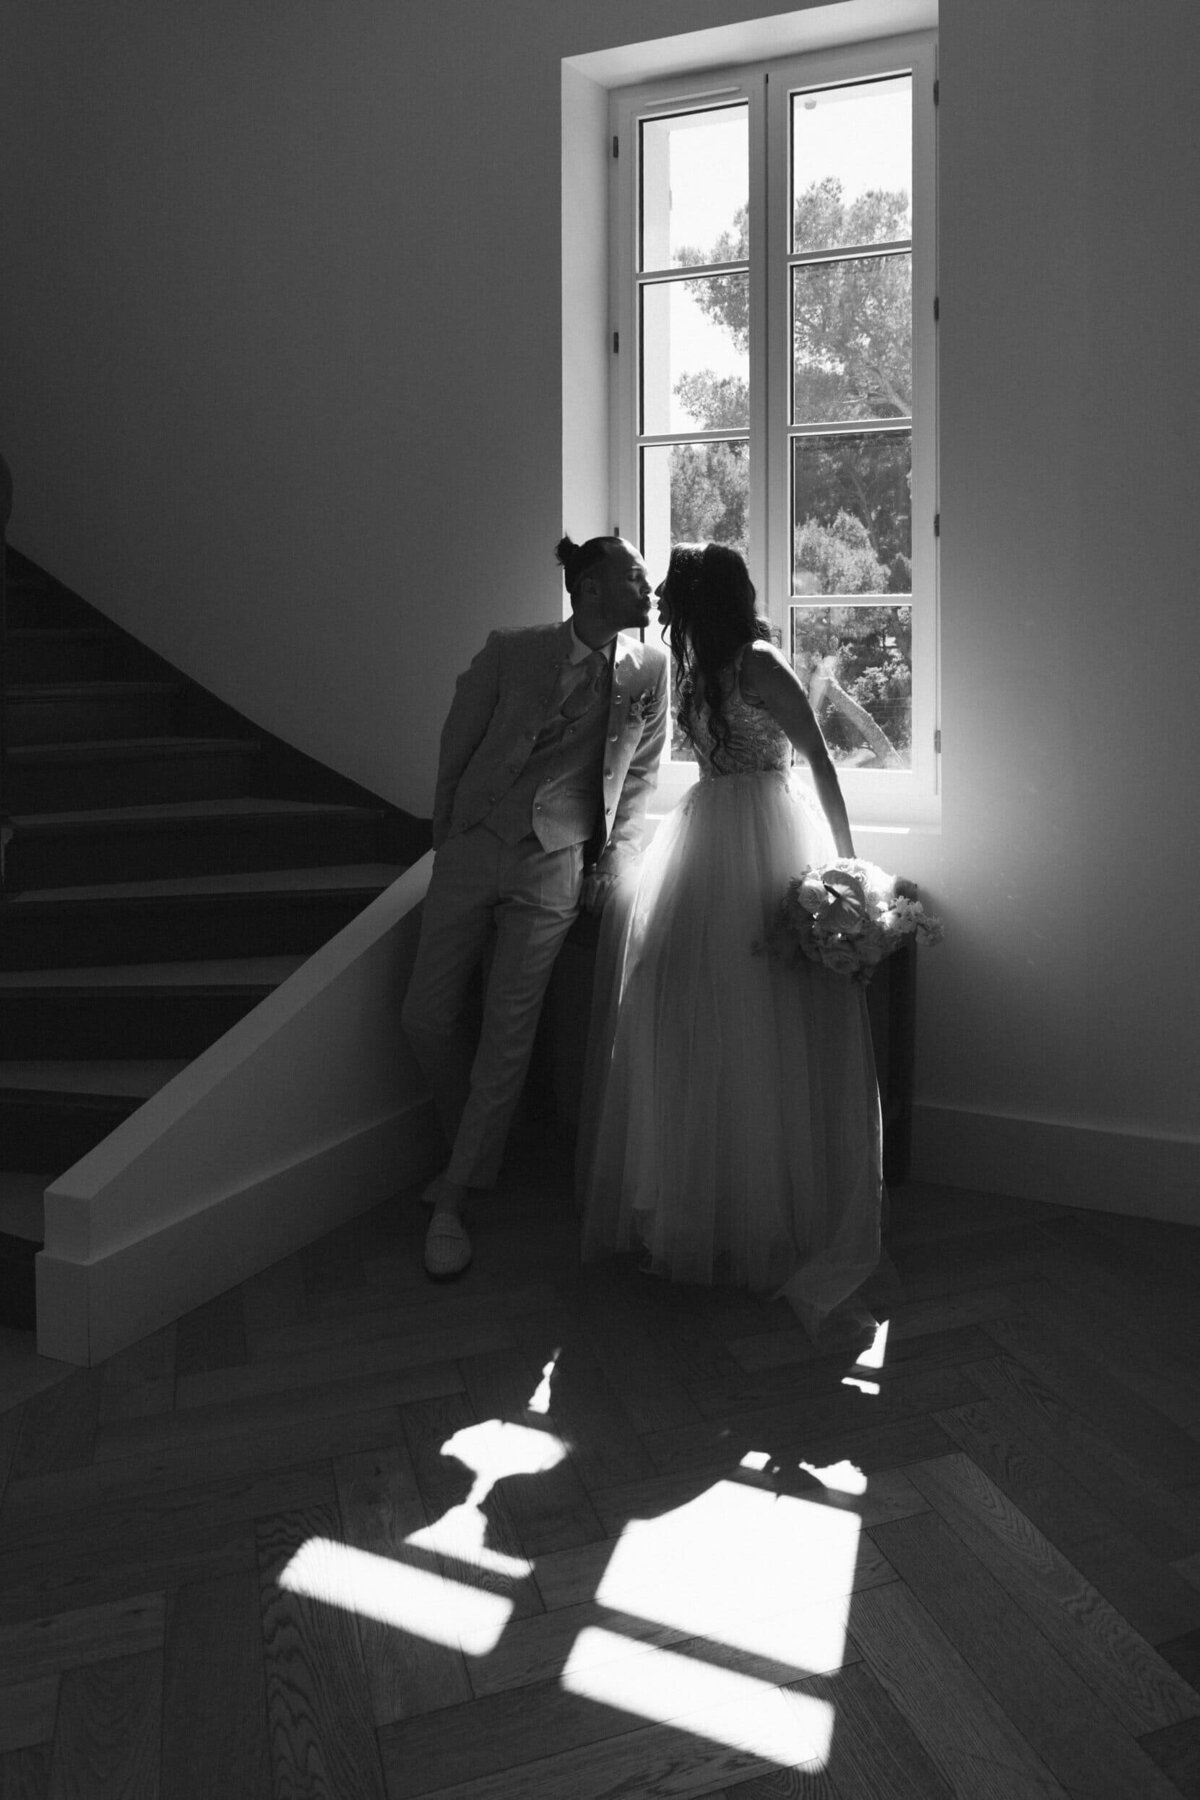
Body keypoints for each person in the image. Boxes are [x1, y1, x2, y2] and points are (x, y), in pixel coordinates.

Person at [576, 541, 883, 1340]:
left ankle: (757, 1216)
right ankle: (709, 1209)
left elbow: (818, 759)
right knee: (700, 1027)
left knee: (762, 1026)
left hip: (763, 845)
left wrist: (846, 867)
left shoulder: (759, 664)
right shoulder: (698, 667)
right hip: (711, 841)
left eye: (673, 598)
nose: (665, 612)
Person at [402, 535, 669, 1278]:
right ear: (589, 586)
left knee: (508, 1030)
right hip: (473, 844)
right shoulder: (510, 651)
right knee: (423, 1014)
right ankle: (475, 1147)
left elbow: (641, 778)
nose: (651, 588)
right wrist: (449, 830)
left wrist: (611, 860)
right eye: (637, 576)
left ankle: (455, 1194)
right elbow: (458, 741)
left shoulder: (649, 669)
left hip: (556, 862)